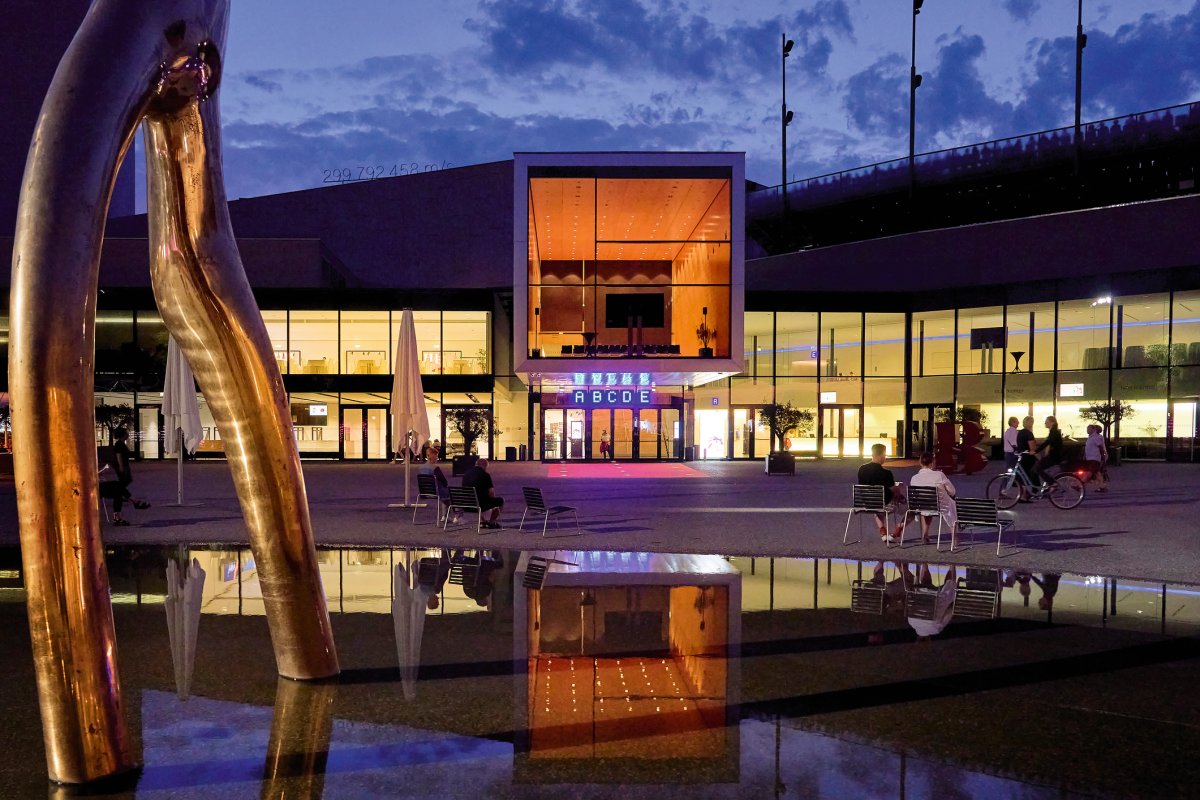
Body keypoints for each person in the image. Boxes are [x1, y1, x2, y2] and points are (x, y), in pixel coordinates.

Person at [902, 451, 957, 546]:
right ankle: (954, 537)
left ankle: (925, 535)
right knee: (951, 505)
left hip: (922, 505)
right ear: (932, 463)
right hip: (939, 505)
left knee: (927, 507)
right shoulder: (939, 475)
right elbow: (952, 491)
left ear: (920, 463)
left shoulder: (914, 478)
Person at [857, 443, 906, 542]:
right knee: (910, 509)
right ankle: (899, 527)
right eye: (885, 455)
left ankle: (882, 530)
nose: (885, 457)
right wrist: (899, 493)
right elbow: (894, 490)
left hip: (867, 503)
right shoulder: (886, 473)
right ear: (881, 455)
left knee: (877, 503)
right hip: (884, 504)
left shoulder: (861, 469)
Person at [105, 427, 150, 526]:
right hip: (122, 467)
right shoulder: (119, 444)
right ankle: (133, 501)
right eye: (127, 432)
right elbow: (119, 455)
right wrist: (121, 467)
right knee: (121, 486)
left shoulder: (121, 443)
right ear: (123, 434)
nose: (128, 434)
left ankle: (131, 500)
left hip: (124, 466)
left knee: (122, 486)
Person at [907, 565, 958, 640]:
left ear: (929, 640)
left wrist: (953, 603)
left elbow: (949, 612)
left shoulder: (935, 630)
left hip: (937, 598)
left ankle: (952, 565)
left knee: (950, 591)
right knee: (924, 589)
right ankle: (925, 564)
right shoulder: (911, 622)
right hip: (922, 592)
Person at [462, 457, 504, 529]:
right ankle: (491, 522)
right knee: (500, 501)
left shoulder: (466, 475)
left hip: (466, 504)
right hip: (480, 504)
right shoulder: (485, 475)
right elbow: (491, 492)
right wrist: (492, 504)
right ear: (484, 466)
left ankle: (483, 522)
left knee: (478, 498)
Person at [418, 444, 452, 523]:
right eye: (436, 455)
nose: (437, 457)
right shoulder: (435, 468)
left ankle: (445, 516)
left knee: (445, 492)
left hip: (424, 492)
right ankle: (446, 516)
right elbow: (444, 481)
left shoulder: (421, 468)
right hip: (436, 491)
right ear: (433, 456)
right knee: (450, 493)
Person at [1033, 415, 1063, 487]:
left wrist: (1036, 451)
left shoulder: (1054, 432)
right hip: (1053, 456)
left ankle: (1052, 483)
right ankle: (1048, 485)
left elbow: (1047, 442)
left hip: (1054, 456)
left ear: (1052, 423)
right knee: (1038, 467)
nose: (1045, 423)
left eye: (1047, 422)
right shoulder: (1053, 431)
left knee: (1037, 468)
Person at [1083, 424, 1109, 491]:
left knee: (1090, 471)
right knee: (1097, 472)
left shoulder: (1096, 437)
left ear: (1093, 429)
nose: (1087, 430)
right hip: (1091, 457)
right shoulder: (1091, 437)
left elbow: (1101, 447)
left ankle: (1080, 484)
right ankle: (1102, 486)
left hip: (1094, 458)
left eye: (1088, 429)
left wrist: (1103, 457)